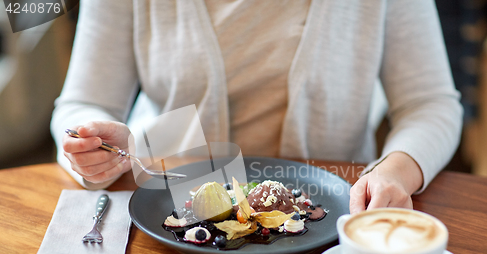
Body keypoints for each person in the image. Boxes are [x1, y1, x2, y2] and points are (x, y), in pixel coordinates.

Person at [51, 0, 463, 214]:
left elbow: (430, 103)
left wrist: (397, 170)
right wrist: (96, 148)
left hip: (332, 215)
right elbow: (82, 103)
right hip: (167, 209)